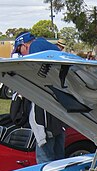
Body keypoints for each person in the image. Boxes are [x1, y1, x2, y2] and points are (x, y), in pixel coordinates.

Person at [14, 32, 66, 163]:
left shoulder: (35, 47)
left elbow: (36, 76)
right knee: (59, 157)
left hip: (45, 114)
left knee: (45, 160)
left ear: (24, 45)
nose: (22, 54)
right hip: (58, 112)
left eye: (20, 50)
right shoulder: (45, 44)